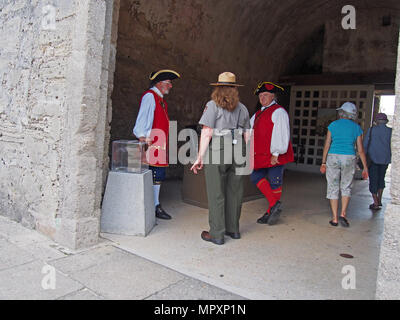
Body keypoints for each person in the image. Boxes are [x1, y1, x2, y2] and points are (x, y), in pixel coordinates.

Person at [190, 72, 250, 245]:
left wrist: (200, 156)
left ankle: (217, 233)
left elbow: (207, 132)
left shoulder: (212, 105)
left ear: (217, 88)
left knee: (216, 192)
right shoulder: (243, 108)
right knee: (235, 191)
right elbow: (248, 135)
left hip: (218, 148)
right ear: (234, 89)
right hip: (239, 148)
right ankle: (233, 229)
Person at [133, 69, 180, 220]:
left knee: (158, 173)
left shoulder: (160, 100)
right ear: (159, 83)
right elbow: (143, 119)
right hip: (151, 141)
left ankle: (155, 204)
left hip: (159, 142)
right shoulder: (150, 96)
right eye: (168, 83)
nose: (170, 86)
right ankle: (153, 206)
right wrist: (142, 137)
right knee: (154, 173)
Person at [249, 82, 294, 225]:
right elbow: (248, 130)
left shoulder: (279, 112)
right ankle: (274, 204)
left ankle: (270, 211)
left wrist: (276, 152)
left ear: (273, 96)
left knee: (275, 182)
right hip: (261, 154)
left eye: (266, 95)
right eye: (261, 95)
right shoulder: (258, 113)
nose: (262, 97)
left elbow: (281, 133)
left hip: (274, 154)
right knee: (256, 176)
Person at [320, 102, 369, 227]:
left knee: (333, 186)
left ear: (341, 112)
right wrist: (365, 168)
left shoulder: (333, 125)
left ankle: (335, 218)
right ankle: (343, 214)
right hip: (349, 156)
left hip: (333, 156)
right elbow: (361, 150)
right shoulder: (356, 128)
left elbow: (327, 144)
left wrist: (323, 162)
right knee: (346, 186)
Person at [363, 112, 392, 210]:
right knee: (381, 179)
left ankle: (375, 202)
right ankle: (379, 199)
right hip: (385, 159)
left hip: (373, 158)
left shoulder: (372, 130)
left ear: (377, 121)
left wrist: (363, 157)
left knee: (373, 180)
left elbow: (365, 145)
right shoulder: (390, 131)